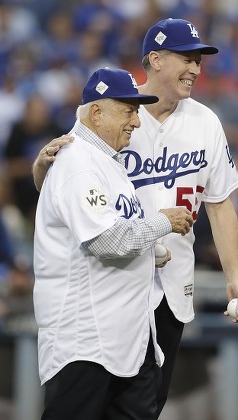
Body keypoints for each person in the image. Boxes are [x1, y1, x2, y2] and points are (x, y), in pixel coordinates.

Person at [33, 18, 238, 418]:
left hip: (170, 285)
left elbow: (219, 202)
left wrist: (234, 277)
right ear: (155, 59)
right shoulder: (115, 110)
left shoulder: (205, 122)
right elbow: (64, 184)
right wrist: (39, 167)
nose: (195, 68)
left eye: (199, 59)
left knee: (144, 407)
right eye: (186, 58)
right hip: (107, 290)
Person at [33, 67, 194, 420]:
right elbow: (105, 240)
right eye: (128, 110)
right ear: (96, 112)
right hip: (84, 345)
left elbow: (111, 229)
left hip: (124, 341)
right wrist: (163, 221)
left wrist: (152, 251)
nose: (137, 121)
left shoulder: (107, 163)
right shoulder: (79, 164)